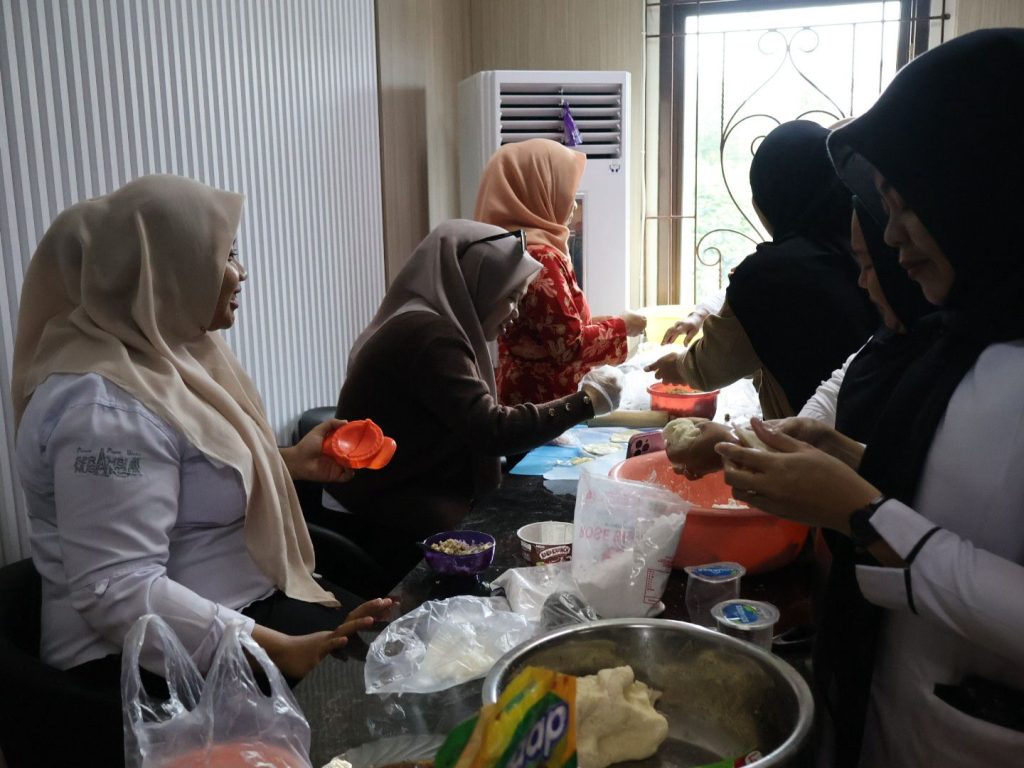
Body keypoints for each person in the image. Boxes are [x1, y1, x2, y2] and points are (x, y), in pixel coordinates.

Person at [715, 29, 1024, 767]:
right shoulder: (954, 337)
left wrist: (862, 510)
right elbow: (950, 493)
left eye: (908, 208)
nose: (895, 239)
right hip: (884, 696)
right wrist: (844, 455)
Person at [12, 175, 393, 691]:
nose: (241, 271)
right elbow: (118, 590)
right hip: (135, 662)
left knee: (403, 654)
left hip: (238, 612)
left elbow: (186, 467)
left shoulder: (176, 357)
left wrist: (288, 461)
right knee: (380, 686)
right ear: (165, 268)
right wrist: (279, 650)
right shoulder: (103, 407)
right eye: (226, 254)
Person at [324, 220, 622, 585]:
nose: (515, 313)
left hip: (408, 491)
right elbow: (491, 429)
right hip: (384, 517)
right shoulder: (430, 336)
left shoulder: (436, 323)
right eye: (510, 297)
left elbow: (471, 417)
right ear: (476, 287)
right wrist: (587, 402)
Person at [646, 120, 876, 420]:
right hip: (877, 431)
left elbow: (712, 367)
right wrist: (701, 313)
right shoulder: (866, 244)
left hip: (809, 440)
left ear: (770, 197)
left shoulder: (770, 273)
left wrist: (678, 366)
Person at [473, 138, 646, 404]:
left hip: (524, 394)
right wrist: (623, 326)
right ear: (537, 191)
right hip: (544, 400)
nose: (574, 204)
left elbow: (549, 330)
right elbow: (568, 347)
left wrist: (605, 323)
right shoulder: (539, 258)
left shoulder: (511, 247)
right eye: (566, 191)